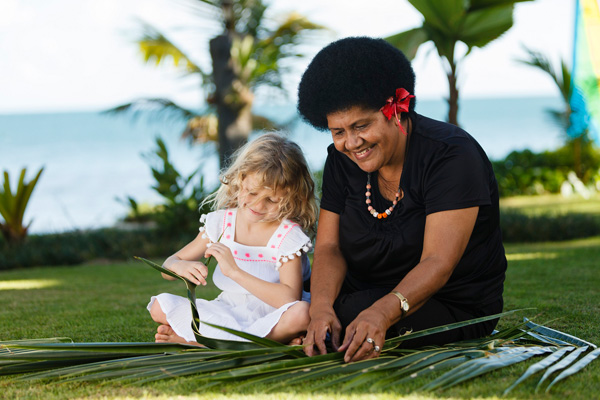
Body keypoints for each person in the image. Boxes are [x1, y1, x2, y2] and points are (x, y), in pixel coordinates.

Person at [297, 37, 507, 362]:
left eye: (361, 125)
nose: (352, 143)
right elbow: (328, 247)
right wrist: (321, 309)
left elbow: (438, 262)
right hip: (361, 294)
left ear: (396, 110)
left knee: (349, 313)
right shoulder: (340, 161)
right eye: (338, 132)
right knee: (305, 308)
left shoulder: (451, 156)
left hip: (449, 303)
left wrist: (381, 313)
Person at [148, 133, 318, 344]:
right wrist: (180, 267)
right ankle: (265, 343)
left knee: (303, 313)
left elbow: (290, 298)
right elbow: (169, 265)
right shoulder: (222, 224)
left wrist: (234, 272)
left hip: (273, 315)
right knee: (159, 307)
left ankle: (196, 342)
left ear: (291, 197)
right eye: (252, 193)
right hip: (227, 310)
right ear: (239, 180)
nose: (258, 206)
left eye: (272, 200)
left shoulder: (287, 235)